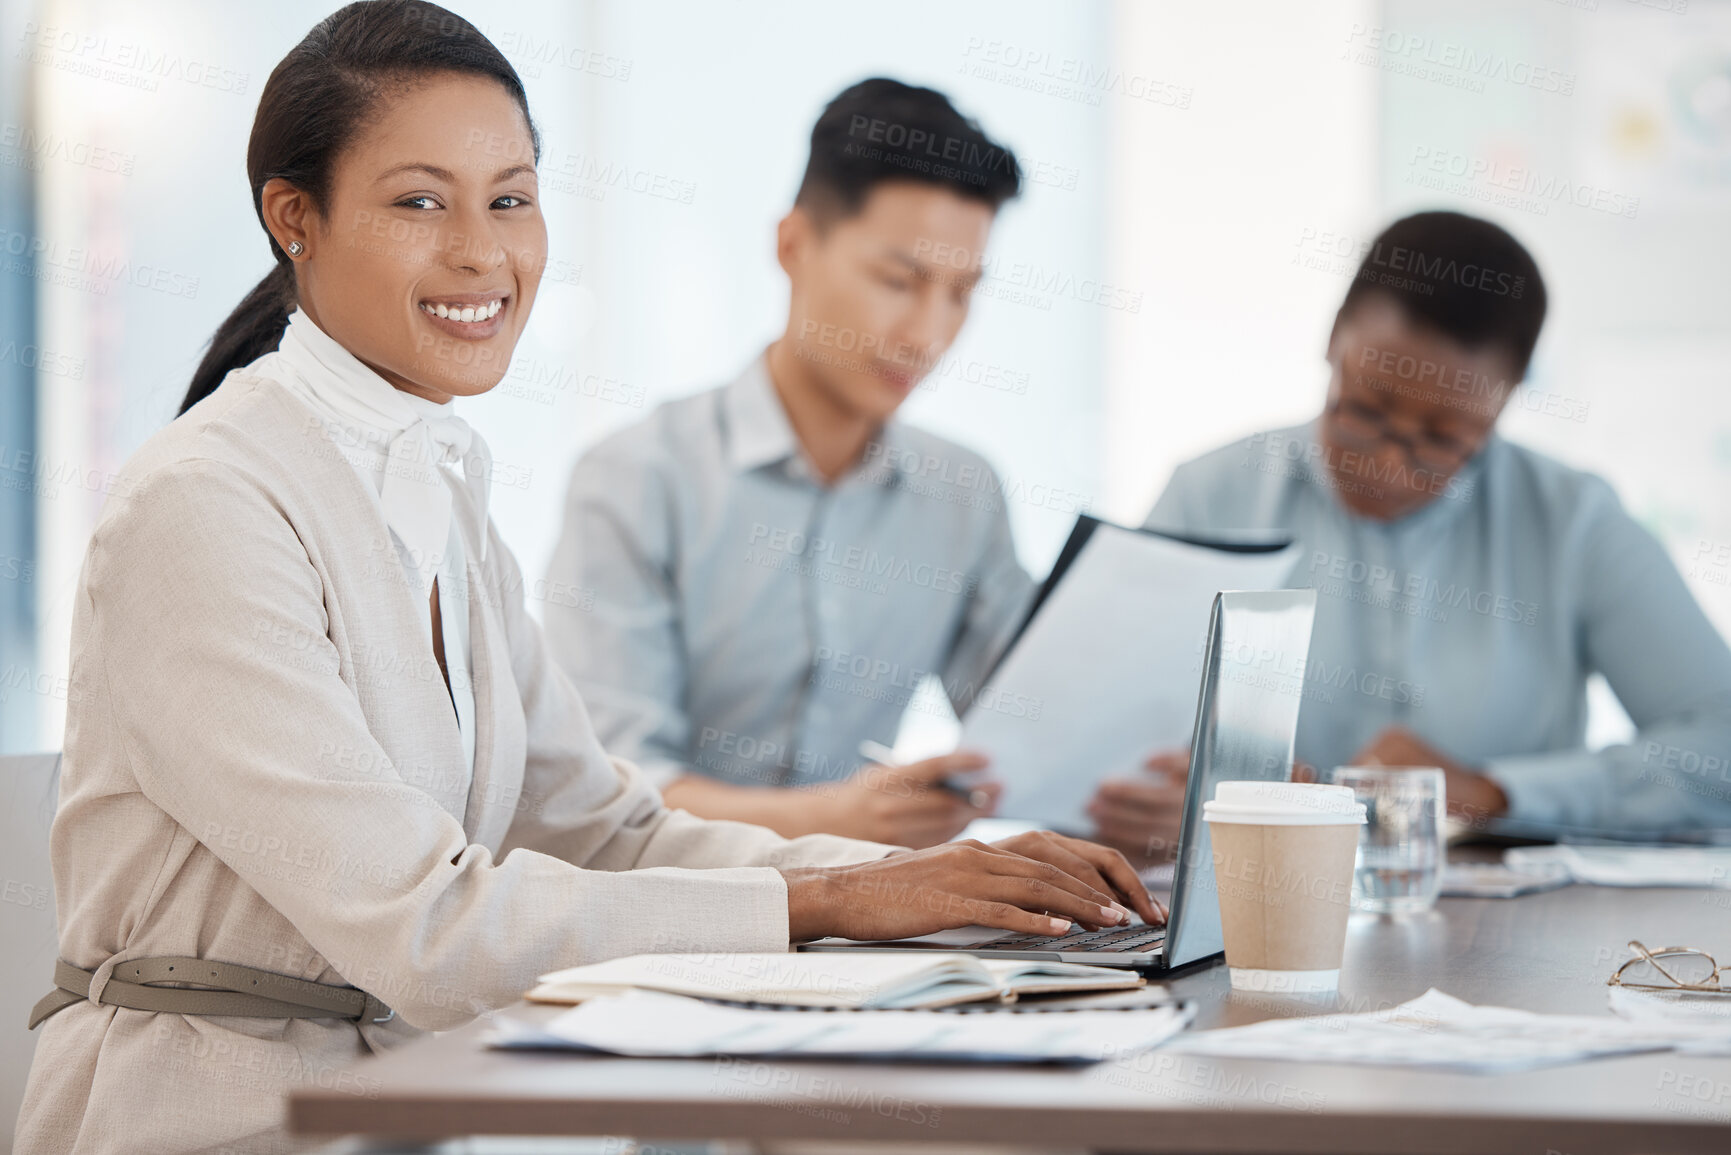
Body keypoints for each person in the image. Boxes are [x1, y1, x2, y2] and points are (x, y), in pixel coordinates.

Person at [13, 9, 1159, 1153]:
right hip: (208, 1117)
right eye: (421, 201)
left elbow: (599, 828)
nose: (482, 253)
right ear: (293, 219)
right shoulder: (204, 503)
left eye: (510, 198)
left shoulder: (438, 487)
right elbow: (423, 922)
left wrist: (920, 878)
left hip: (412, 1100)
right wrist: (830, 900)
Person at [1088, 210, 1731, 853]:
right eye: (1364, 413)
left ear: (1503, 406)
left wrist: (1498, 794)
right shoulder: (1209, 495)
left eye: (1443, 441)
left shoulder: (1573, 521)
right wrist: (1167, 795)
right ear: (1333, 339)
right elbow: (1096, 723)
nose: (1388, 466)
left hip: (1508, 939)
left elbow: (1720, 747)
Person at [543, 79, 1035, 849]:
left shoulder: (964, 493)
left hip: (871, 934)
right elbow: (610, 791)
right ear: (793, 245)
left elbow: (1037, 726)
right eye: (899, 281)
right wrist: (834, 822)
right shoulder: (638, 477)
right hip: (671, 918)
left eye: (960, 292)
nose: (926, 333)